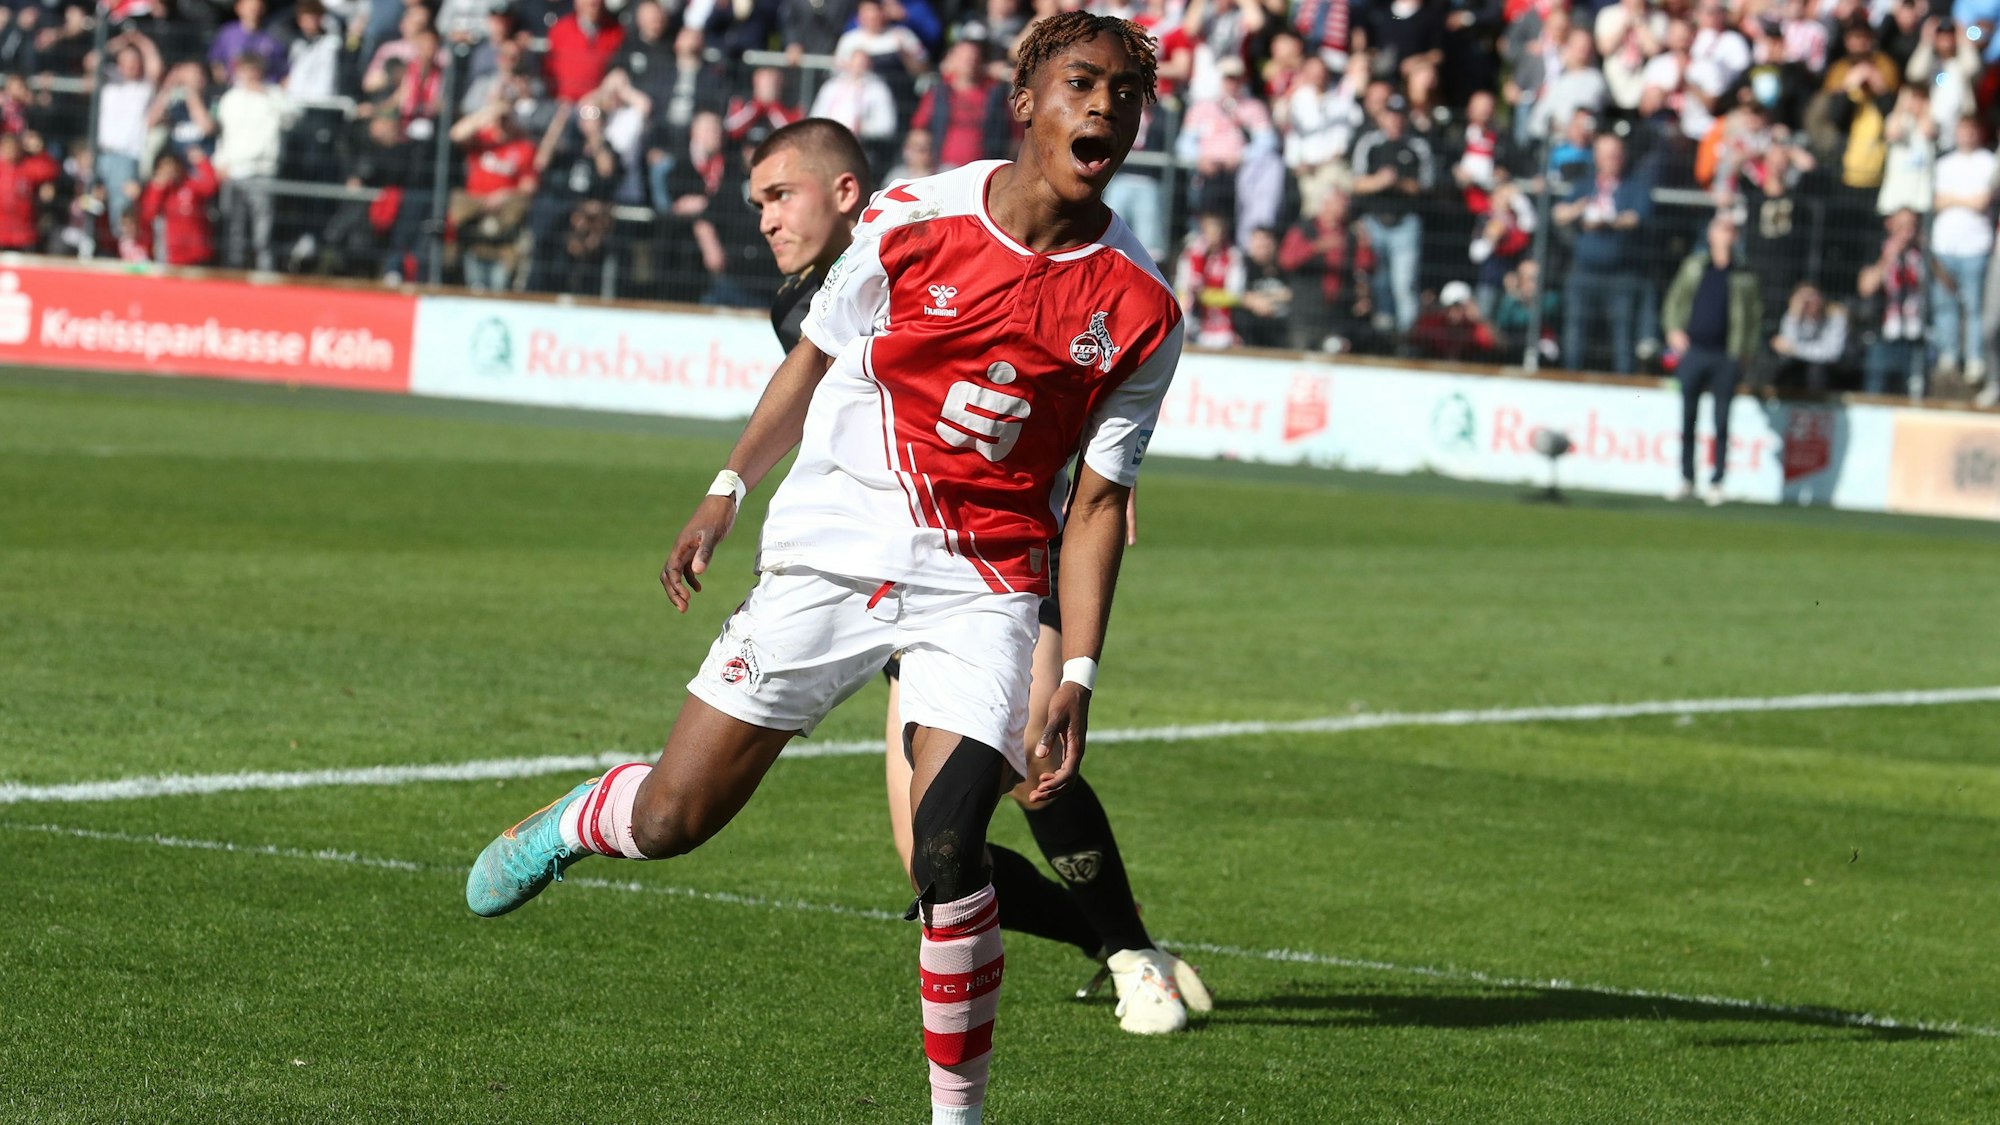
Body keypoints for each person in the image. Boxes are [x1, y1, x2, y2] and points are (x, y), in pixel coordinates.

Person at [466, 19, 1188, 1123]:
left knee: (947, 848)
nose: (1104, 108)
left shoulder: (1140, 306)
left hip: (983, 582)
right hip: (833, 548)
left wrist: (1079, 673)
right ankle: (576, 822)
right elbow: (815, 354)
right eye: (1081, 83)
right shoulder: (913, 220)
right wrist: (727, 485)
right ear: (1025, 103)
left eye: (1126, 95)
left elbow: (1097, 502)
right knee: (675, 819)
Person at [756, 115, 1212, 1032]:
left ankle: (1134, 957)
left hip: (1005, 562)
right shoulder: (800, 309)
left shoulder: (950, 228)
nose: (766, 219)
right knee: (930, 857)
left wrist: (1099, 483)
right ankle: (1113, 943)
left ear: (847, 196)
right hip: (890, 572)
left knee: (1038, 759)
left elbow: (1045, 374)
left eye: (779, 196)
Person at [1662, 212, 1763, 505]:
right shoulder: (1695, 267)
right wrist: (1673, 330)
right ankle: (1687, 479)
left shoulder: (1744, 274)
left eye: (1731, 229)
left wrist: (1745, 352)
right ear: (1710, 234)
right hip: (1694, 351)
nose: (1726, 234)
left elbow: (1754, 316)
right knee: (1688, 418)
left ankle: (1717, 481)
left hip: (1725, 355)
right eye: (1721, 228)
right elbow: (1675, 300)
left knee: (1721, 420)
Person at [1554, 132, 1650, 374]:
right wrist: (1579, 210)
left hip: (1621, 275)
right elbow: (1559, 213)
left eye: (1616, 155)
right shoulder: (1585, 185)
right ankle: (1571, 380)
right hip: (1584, 272)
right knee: (1575, 333)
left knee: (1623, 337)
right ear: (1597, 158)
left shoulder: (1634, 185)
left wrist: (1607, 222)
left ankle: (1625, 385)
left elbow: (1636, 217)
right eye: (1607, 155)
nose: (1612, 160)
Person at [1929, 116, 1995, 390]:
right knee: (1944, 304)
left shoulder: (1988, 162)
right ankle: (1949, 355)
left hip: (1975, 245)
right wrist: (1966, 200)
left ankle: (1974, 359)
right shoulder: (1943, 163)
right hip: (1945, 245)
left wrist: (1954, 199)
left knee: (1974, 306)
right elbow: (1937, 201)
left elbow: (1982, 202)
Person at [1769, 282, 1848, 395]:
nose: (1809, 303)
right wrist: (1794, 316)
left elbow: (1832, 353)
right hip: (1799, 368)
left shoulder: (1835, 317)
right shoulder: (1792, 316)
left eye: (1813, 297)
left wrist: (1795, 350)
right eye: (1804, 300)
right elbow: (1785, 351)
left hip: (1831, 371)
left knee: (1816, 370)